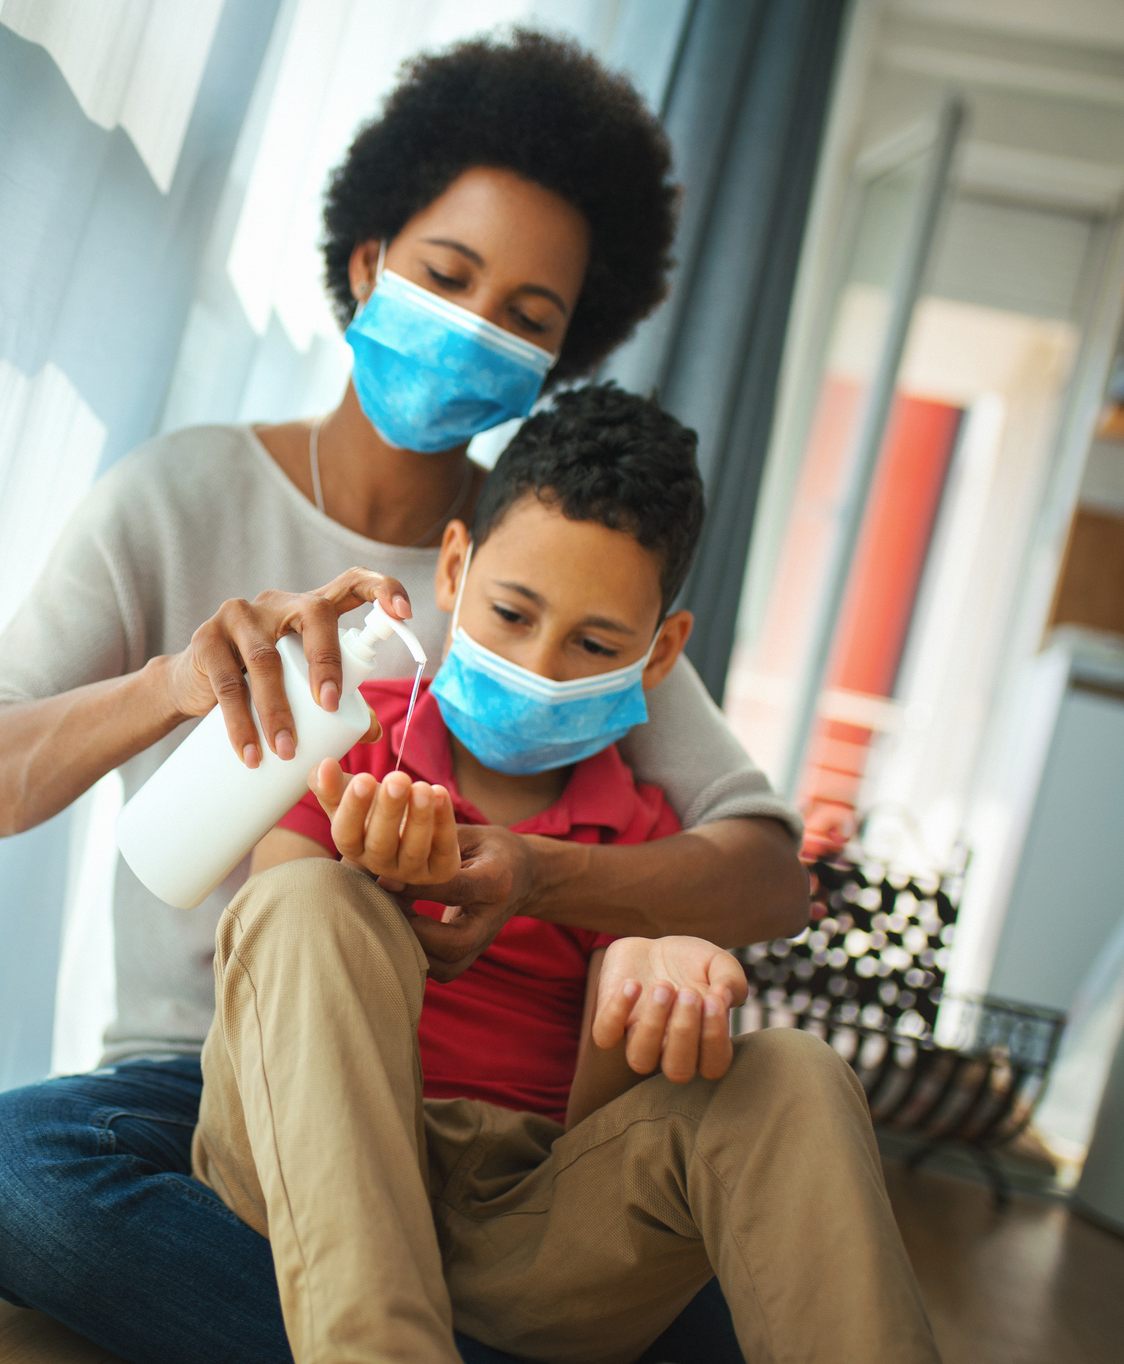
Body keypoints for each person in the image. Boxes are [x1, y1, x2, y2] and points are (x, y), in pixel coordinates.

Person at [0, 29, 810, 1364]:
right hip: (206, 1082)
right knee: (8, 1176)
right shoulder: (182, 498)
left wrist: (527, 873)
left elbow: (762, 880)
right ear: (366, 264)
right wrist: (175, 684)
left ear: (559, 357)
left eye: (524, 315)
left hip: (503, 1117)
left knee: (728, 1268)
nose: (471, 326)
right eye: (447, 276)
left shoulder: (540, 582)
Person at [193, 385, 939, 1364]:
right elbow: (262, 977)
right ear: (453, 567)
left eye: (592, 645)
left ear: (659, 652)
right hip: (310, 1159)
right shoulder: (349, 737)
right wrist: (362, 874)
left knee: (794, 1073)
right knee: (305, 898)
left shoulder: (642, 842)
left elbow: (604, 1136)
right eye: (510, 613)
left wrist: (646, 1008)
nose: (539, 665)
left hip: (525, 1223)